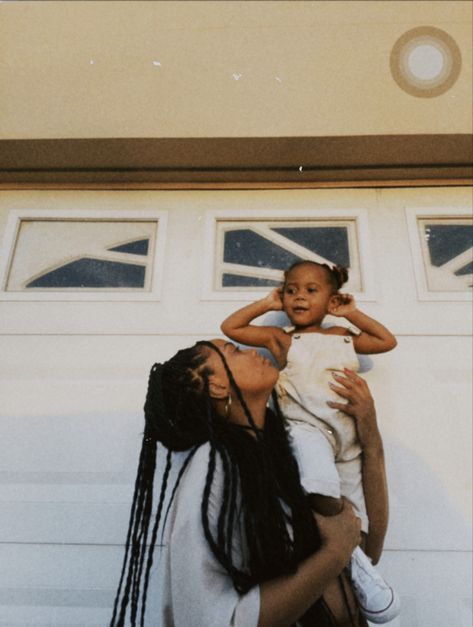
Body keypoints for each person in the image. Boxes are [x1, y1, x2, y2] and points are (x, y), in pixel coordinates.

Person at [110, 337, 390, 626]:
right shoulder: (213, 467)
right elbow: (215, 621)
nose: (252, 351)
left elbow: (367, 552)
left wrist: (370, 437)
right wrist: (335, 550)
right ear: (217, 387)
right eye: (234, 351)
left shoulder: (290, 450)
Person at [221, 260, 400, 623]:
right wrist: (266, 304)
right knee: (317, 484)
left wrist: (354, 313)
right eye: (290, 290)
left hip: (347, 439)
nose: (298, 296)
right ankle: (354, 562)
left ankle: (356, 556)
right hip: (306, 430)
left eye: (311, 290)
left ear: (332, 299)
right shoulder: (282, 339)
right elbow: (231, 327)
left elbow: (387, 340)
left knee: (355, 513)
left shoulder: (343, 336)